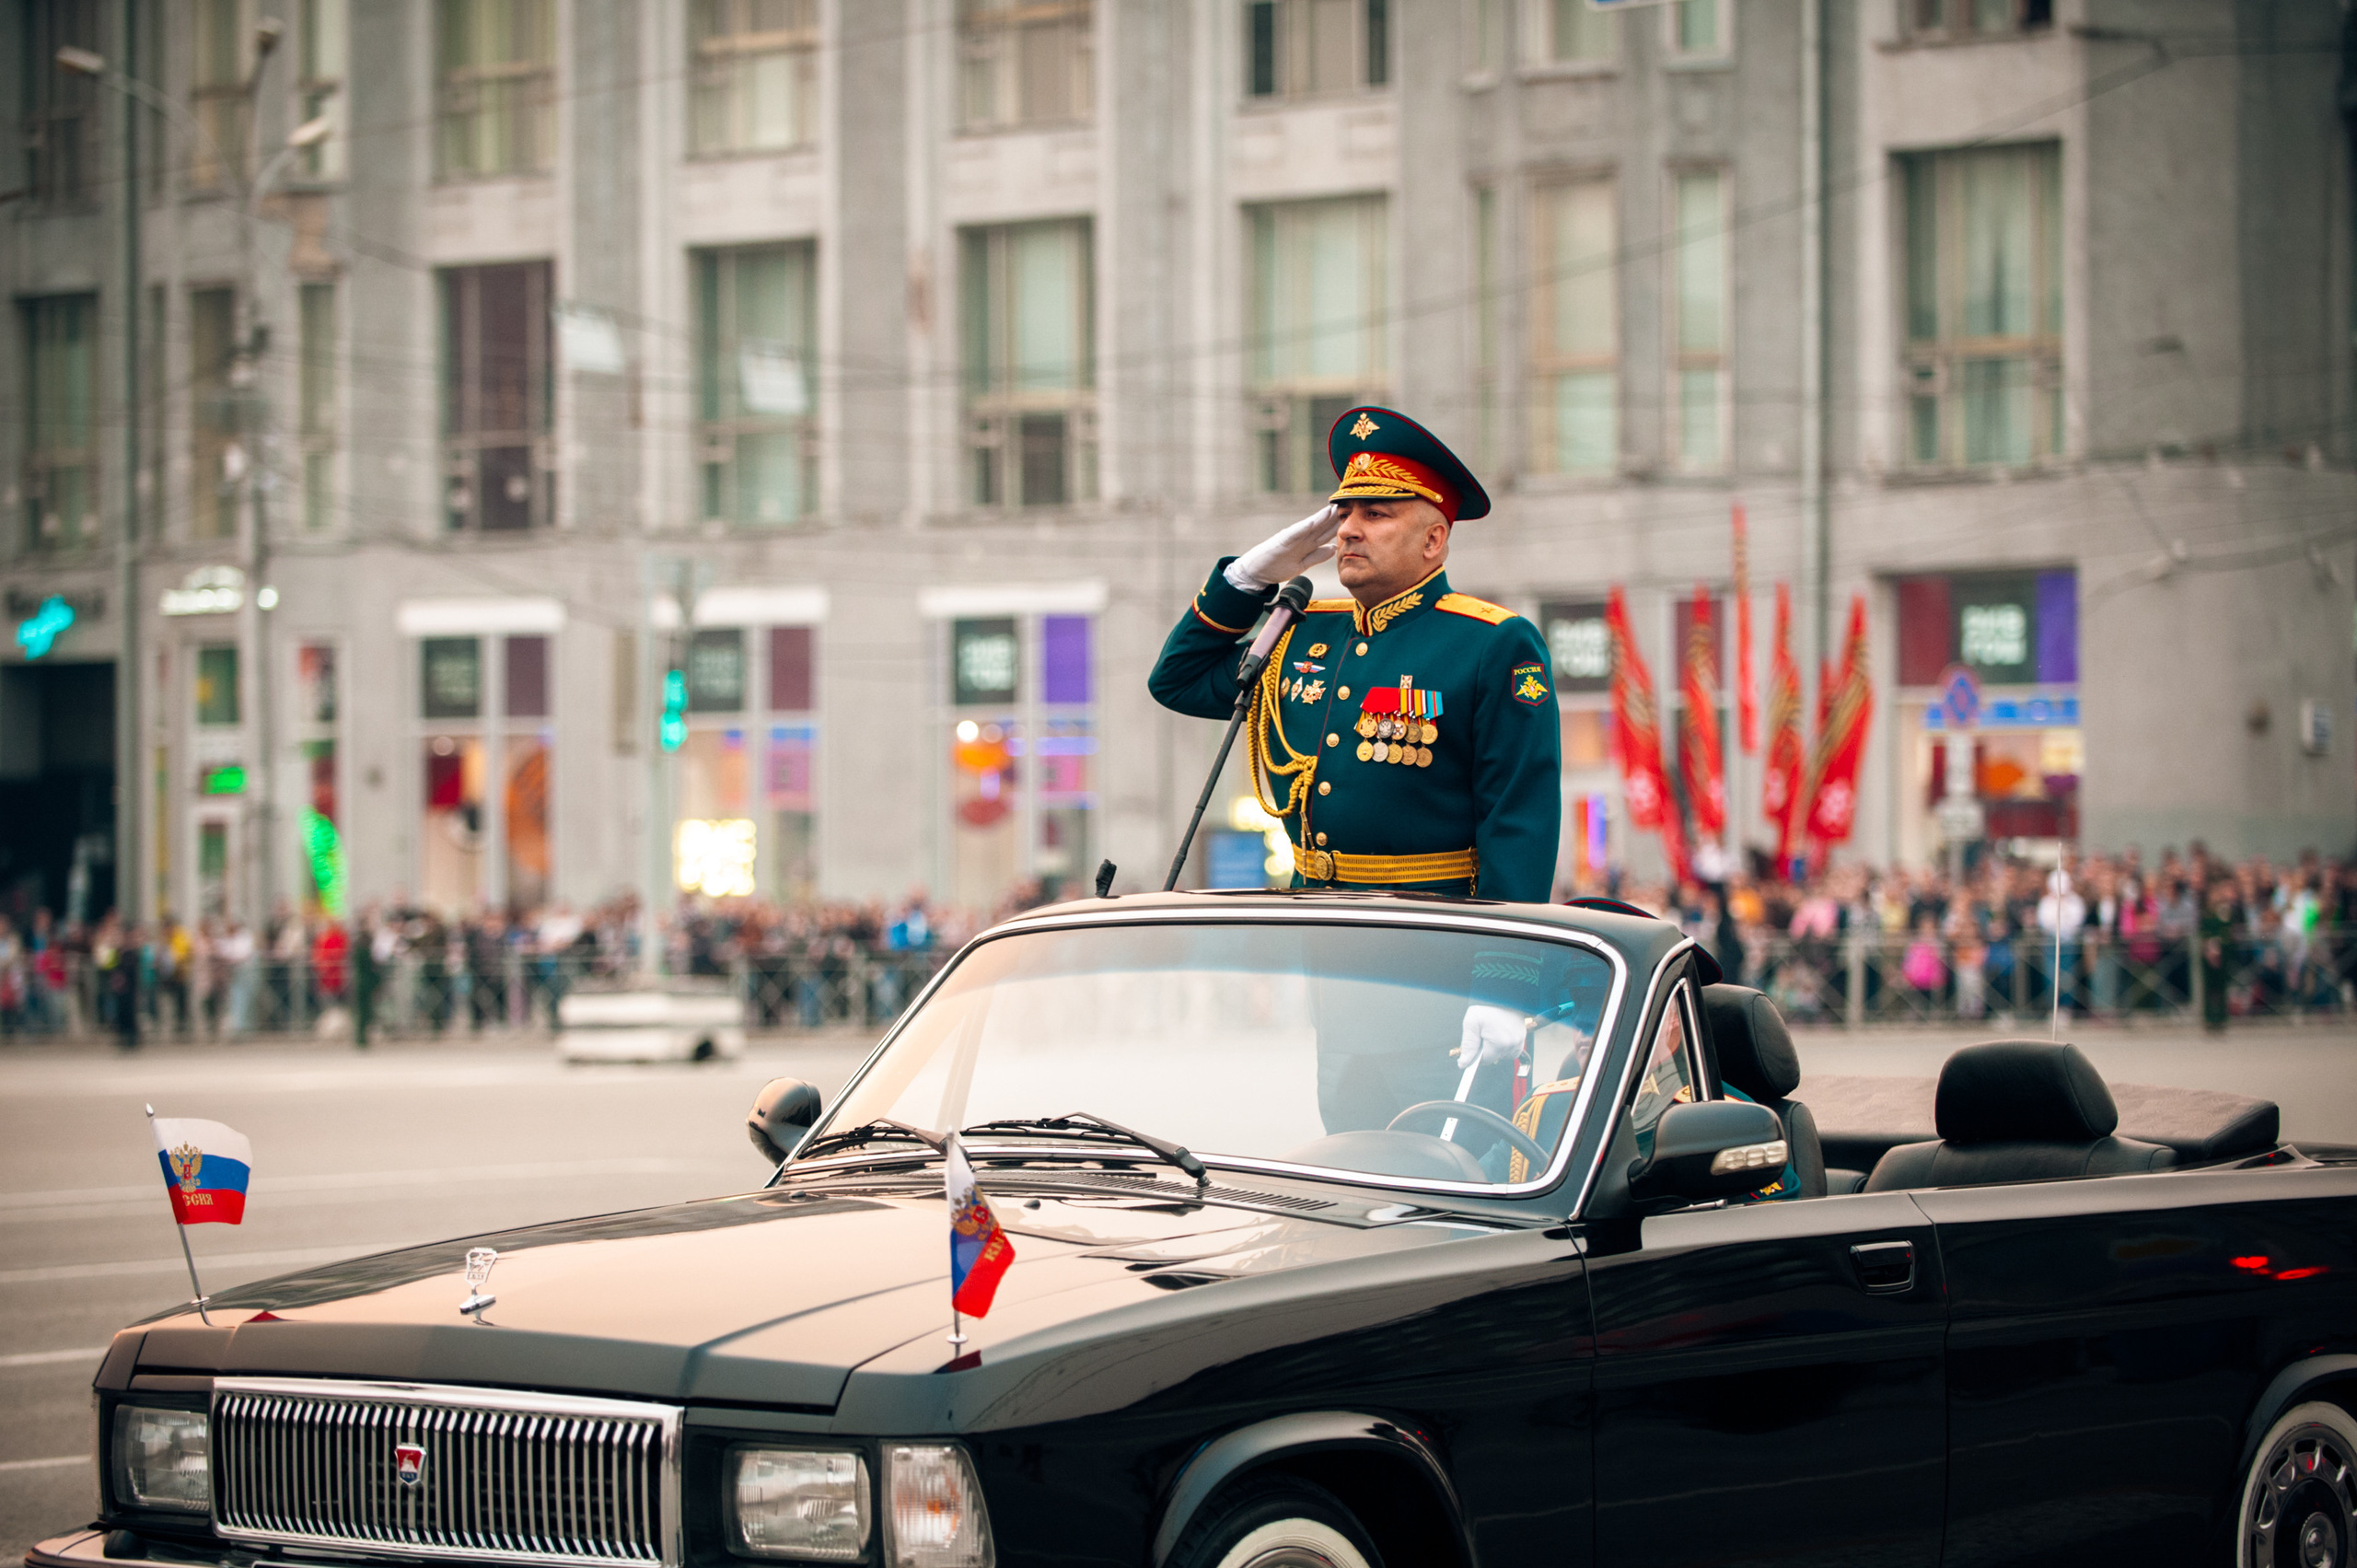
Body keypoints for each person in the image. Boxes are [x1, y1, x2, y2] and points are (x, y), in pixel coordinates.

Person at [1149, 405, 1562, 1131]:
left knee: (1455, 1188)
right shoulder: (1307, 635)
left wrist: (1505, 986)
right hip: (1339, 966)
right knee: (1353, 1170)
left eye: (1377, 513)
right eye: (1343, 513)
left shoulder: (1491, 644)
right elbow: (1178, 680)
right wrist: (1254, 572)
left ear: (1435, 539)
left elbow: (1519, 823)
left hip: (1443, 979)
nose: (1347, 529)